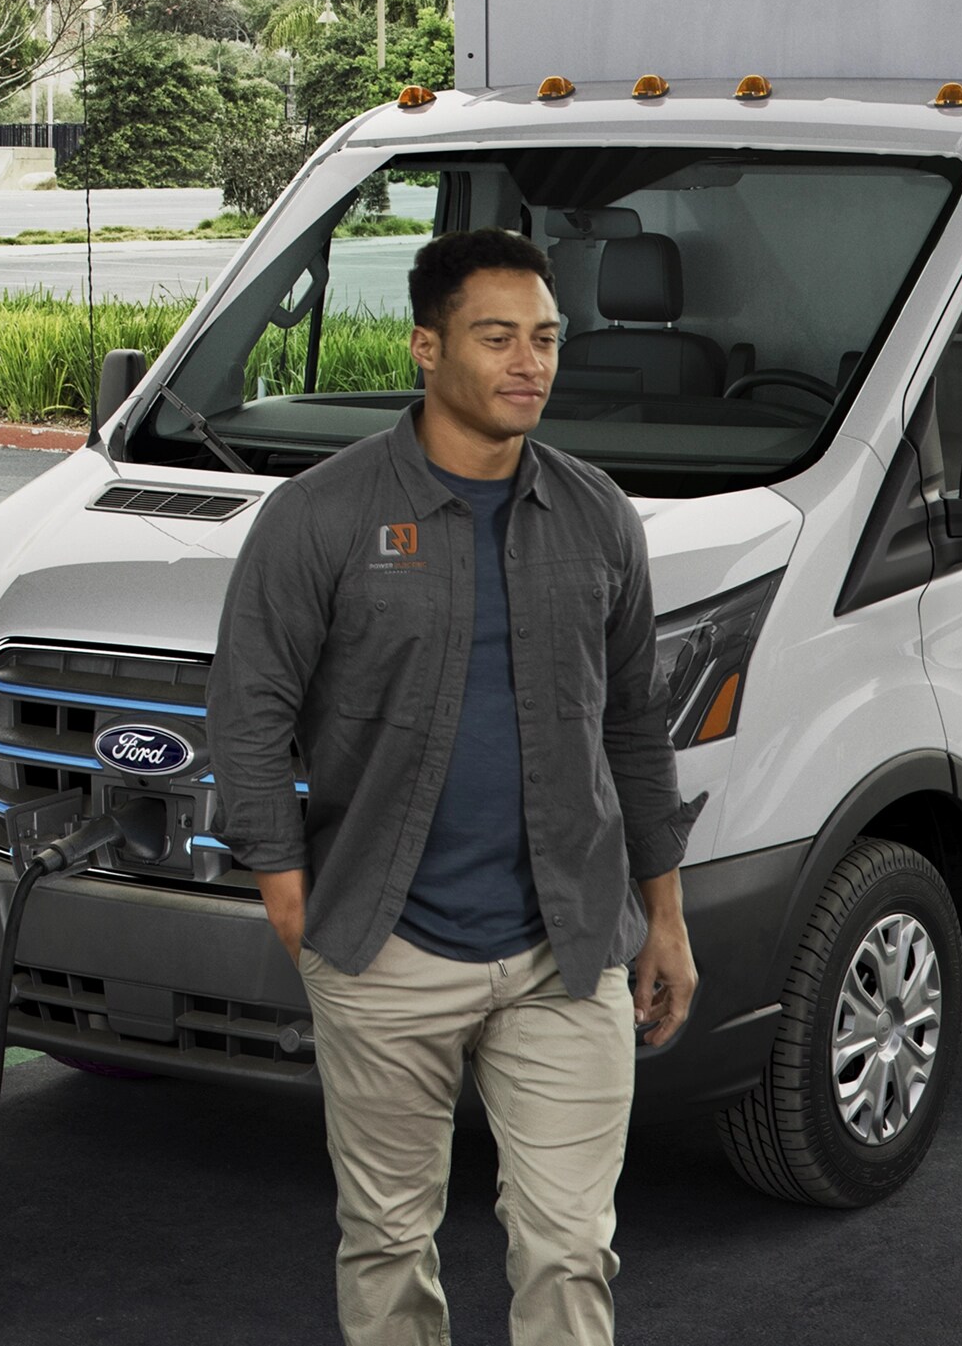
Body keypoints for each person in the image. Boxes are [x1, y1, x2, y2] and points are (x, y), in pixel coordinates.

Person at [212, 226, 698, 1346]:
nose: (529, 362)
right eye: (497, 337)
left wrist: (662, 919)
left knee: (571, 1246)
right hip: (385, 945)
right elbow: (250, 713)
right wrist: (292, 897)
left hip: (566, 949)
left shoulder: (596, 517)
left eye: (545, 337)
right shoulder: (321, 516)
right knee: (387, 1240)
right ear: (427, 348)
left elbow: (634, 726)